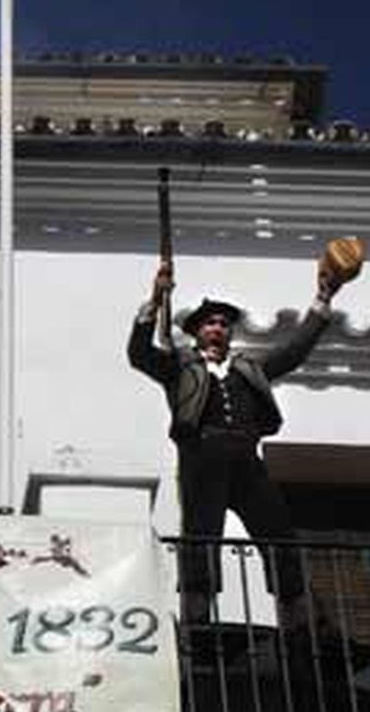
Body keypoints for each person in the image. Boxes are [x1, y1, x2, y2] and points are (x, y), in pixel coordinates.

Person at [128, 255, 352, 625]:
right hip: (202, 456)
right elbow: (139, 354)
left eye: (223, 323)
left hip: (247, 459)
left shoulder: (249, 369)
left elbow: (293, 353)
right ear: (196, 331)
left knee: (278, 533)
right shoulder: (179, 367)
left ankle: (296, 615)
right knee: (201, 535)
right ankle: (197, 616)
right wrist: (154, 299)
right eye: (210, 323)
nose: (218, 328)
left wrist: (322, 300)